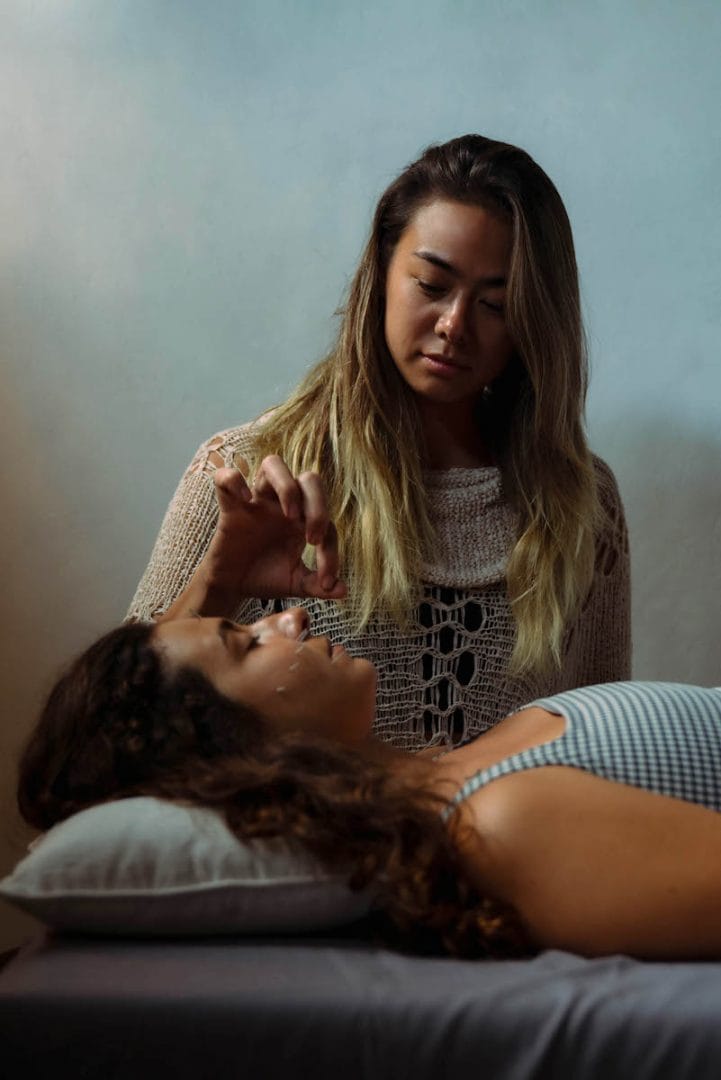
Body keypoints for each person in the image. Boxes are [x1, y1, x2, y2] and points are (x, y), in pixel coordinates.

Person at [18, 475, 721, 962]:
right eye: (247, 641)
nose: (288, 619)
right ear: (235, 750)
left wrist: (222, 579)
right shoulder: (499, 822)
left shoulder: (457, 771)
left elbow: (138, 696)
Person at [126, 134, 631, 750]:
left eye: (495, 304)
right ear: (384, 273)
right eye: (432, 285)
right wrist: (221, 578)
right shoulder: (249, 472)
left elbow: (605, 743)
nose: (454, 325)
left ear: (532, 321)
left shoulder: (580, 505)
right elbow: (110, 735)